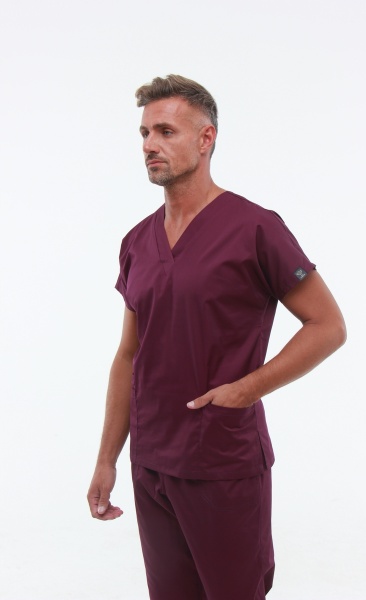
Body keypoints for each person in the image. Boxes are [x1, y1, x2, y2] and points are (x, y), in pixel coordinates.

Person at [87, 74, 346, 600]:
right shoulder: (136, 242)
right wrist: (107, 458)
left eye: (166, 131)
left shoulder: (255, 228)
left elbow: (328, 326)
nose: (150, 145)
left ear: (206, 139)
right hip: (151, 463)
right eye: (144, 133)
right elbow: (129, 354)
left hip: (221, 459)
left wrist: (246, 390)